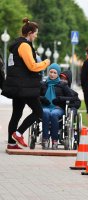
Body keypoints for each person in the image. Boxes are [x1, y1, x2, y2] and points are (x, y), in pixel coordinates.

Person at [1, 17, 50, 149]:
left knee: (16, 113)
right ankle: (18, 133)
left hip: (17, 85)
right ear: (30, 33)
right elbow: (32, 66)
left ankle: (11, 144)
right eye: (35, 33)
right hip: (25, 86)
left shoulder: (17, 45)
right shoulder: (24, 46)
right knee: (38, 111)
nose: (36, 35)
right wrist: (46, 63)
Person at [40, 64, 73, 150]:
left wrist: (59, 99)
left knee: (54, 114)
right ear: (48, 72)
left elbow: (72, 97)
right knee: (46, 112)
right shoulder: (43, 84)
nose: (52, 74)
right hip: (45, 107)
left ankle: (55, 140)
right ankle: (45, 138)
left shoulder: (62, 85)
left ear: (58, 74)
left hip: (58, 108)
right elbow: (36, 96)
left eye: (54, 73)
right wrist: (43, 98)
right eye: (51, 72)